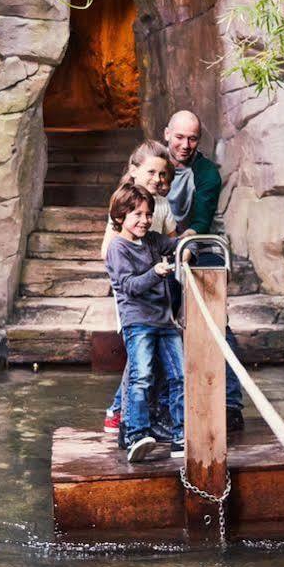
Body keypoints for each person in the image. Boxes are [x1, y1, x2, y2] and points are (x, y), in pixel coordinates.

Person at [161, 109, 244, 431]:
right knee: (156, 320)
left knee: (216, 323)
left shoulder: (207, 172)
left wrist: (180, 246)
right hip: (161, 246)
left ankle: (231, 403)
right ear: (167, 133)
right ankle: (163, 405)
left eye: (192, 138)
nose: (185, 144)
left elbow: (199, 223)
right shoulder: (153, 161)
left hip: (201, 246)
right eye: (179, 137)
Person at [104, 181, 184, 463]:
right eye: (137, 214)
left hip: (165, 322)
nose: (145, 220)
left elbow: (176, 244)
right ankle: (136, 435)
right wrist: (157, 272)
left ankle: (180, 435)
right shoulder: (118, 248)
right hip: (138, 322)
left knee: (179, 376)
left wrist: (188, 246)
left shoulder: (152, 240)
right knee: (141, 377)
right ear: (120, 216)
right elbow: (129, 286)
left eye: (148, 214)